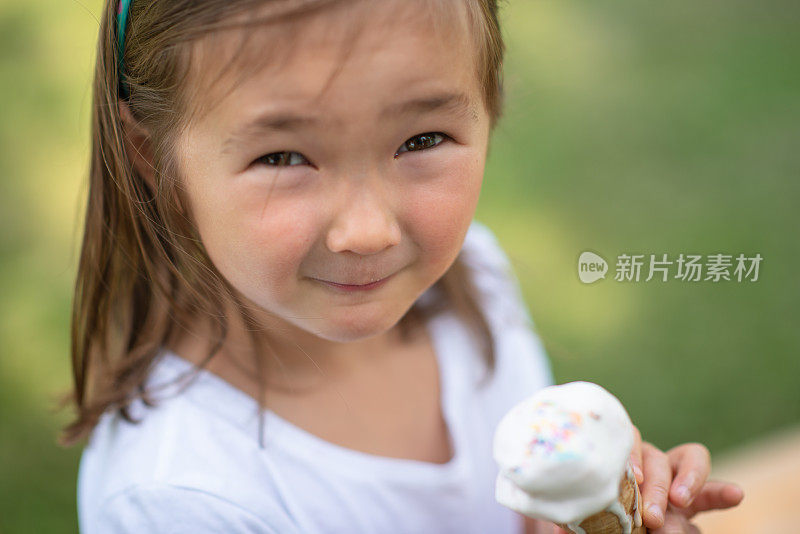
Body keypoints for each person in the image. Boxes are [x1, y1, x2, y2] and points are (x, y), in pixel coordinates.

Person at [60, 0, 744, 532]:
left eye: (421, 139)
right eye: (283, 157)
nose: (367, 232)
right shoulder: (181, 500)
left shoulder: (475, 269)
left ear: (489, 106)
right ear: (155, 159)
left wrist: (598, 505)